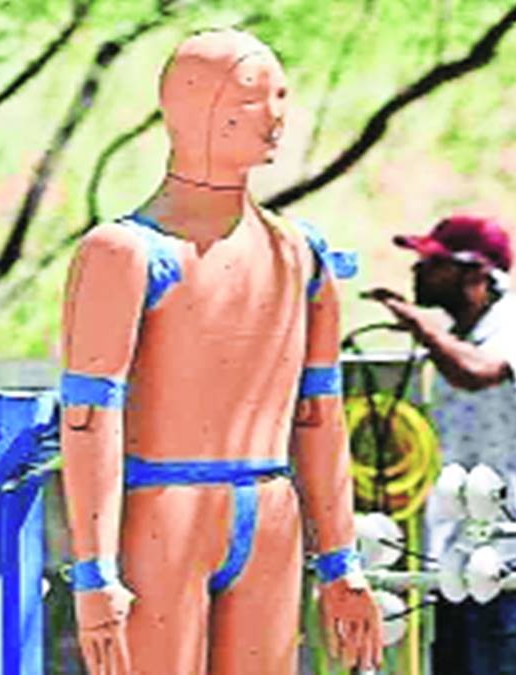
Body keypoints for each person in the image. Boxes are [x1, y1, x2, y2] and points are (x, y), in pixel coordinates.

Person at [59, 29, 381, 675]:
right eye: (255, 96)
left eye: (282, 95)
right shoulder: (124, 253)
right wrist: (94, 571)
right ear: (193, 104)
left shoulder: (302, 254)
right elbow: (90, 419)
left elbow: (319, 413)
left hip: (271, 513)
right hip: (162, 513)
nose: (276, 115)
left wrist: (341, 560)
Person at [366, 213, 516, 675]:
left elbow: (477, 372)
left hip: (509, 556)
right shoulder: (457, 341)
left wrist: (423, 328)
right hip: (453, 555)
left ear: (477, 273)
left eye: (434, 264)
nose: (418, 271)